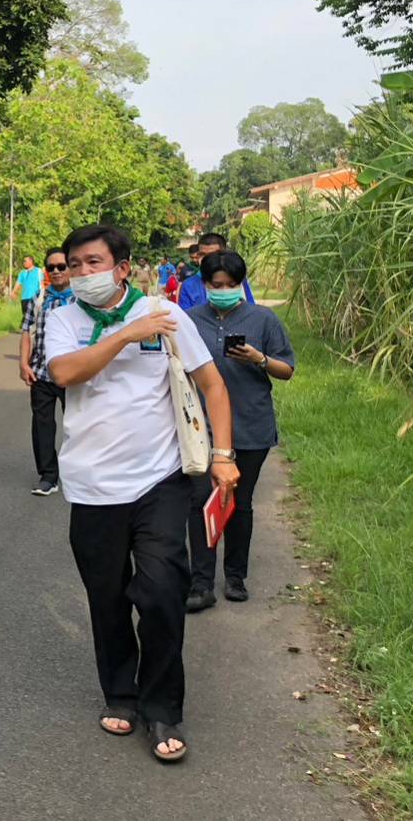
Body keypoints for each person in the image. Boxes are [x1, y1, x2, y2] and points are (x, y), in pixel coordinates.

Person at [44, 223, 238, 764]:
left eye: (94, 262)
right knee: (106, 599)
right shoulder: (62, 318)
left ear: (122, 267)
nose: (83, 273)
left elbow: (212, 384)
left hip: (160, 479)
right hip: (90, 484)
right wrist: (126, 335)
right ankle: (120, 694)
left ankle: (162, 708)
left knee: (159, 593)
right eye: (75, 264)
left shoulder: (166, 315)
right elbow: (63, 373)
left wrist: (223, 456)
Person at [185, 251, 294, 611]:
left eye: (232, 285)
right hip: (201, 429)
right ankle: (201, 582)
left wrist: (259, 359)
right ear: (205, 286)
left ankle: (235, 576)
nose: (224, 290)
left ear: (241, 284)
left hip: (250, 425)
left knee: (238, 502)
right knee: (202, 503)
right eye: (217, 285)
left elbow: (287, 369)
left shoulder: (263, 319)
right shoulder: (189, 320)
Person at [18, 246, 74, 497]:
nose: (56, 271)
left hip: (73, 374)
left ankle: (77, 472)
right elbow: (26, 333)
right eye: (51, 267)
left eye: (61, 266)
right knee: (42, 426)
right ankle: (48, 476)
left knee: (78, 425)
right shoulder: (38, 299)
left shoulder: (82, 300)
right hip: (41, 372)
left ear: (71, 268)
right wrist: (23, 363)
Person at [177, 233, 255, 311]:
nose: (206, 259)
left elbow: (251, 310)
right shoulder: (188, 285)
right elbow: (185, 318)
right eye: (202, 254)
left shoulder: (237, 279)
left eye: (212, 255)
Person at [16, 255, 43, 323]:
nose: (24, 263)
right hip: (24, 298)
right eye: (23, 261)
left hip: (35, 297)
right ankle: (27, 329)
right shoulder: (22, 273)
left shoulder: (38, 271)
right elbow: (18, 282)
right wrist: (14, 291)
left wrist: (41, 296)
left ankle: (27, 329)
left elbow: (41, 283)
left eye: (25, 261)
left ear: (31, 261)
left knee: (32, 316)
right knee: (26, 315)